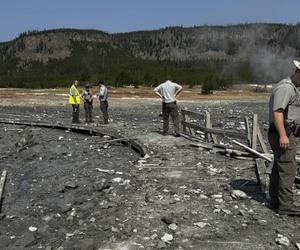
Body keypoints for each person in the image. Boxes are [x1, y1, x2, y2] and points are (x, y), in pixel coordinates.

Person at [268, 60, 300, 216]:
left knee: (279, 166)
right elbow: (278, 112)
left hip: (286, 132)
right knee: (288, 167)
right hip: (282, 133)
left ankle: (276, 200)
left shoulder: (291, 87)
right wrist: (283, 135)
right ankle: (286, 204)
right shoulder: (286, 87)